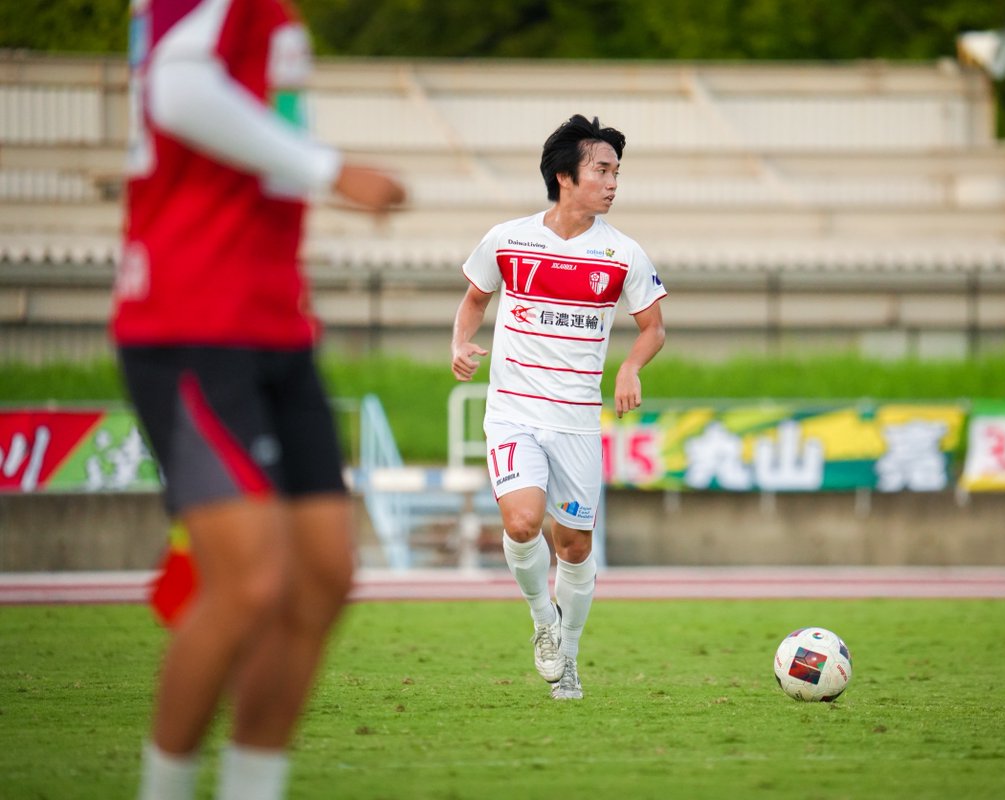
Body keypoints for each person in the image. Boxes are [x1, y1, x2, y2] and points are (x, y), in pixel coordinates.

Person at [111, 1, 406, 798]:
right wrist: (330, 169)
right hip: (189, 318)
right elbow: (178, 93)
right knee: (249, 582)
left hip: (275, 321)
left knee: (323, 575)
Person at [451, 114, 667, 700]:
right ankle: (543, 622)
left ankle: (568, 655)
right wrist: (460, 343)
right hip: (513, 413)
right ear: (565, 176)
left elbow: (653, 328)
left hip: (575, 423)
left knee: (574, 546)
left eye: (617, 173)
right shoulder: (509, 239)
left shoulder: (622, 253)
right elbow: (474, 299)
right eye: (602, 170)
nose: (613, 183)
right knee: (522, 523)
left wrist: (629, 367)